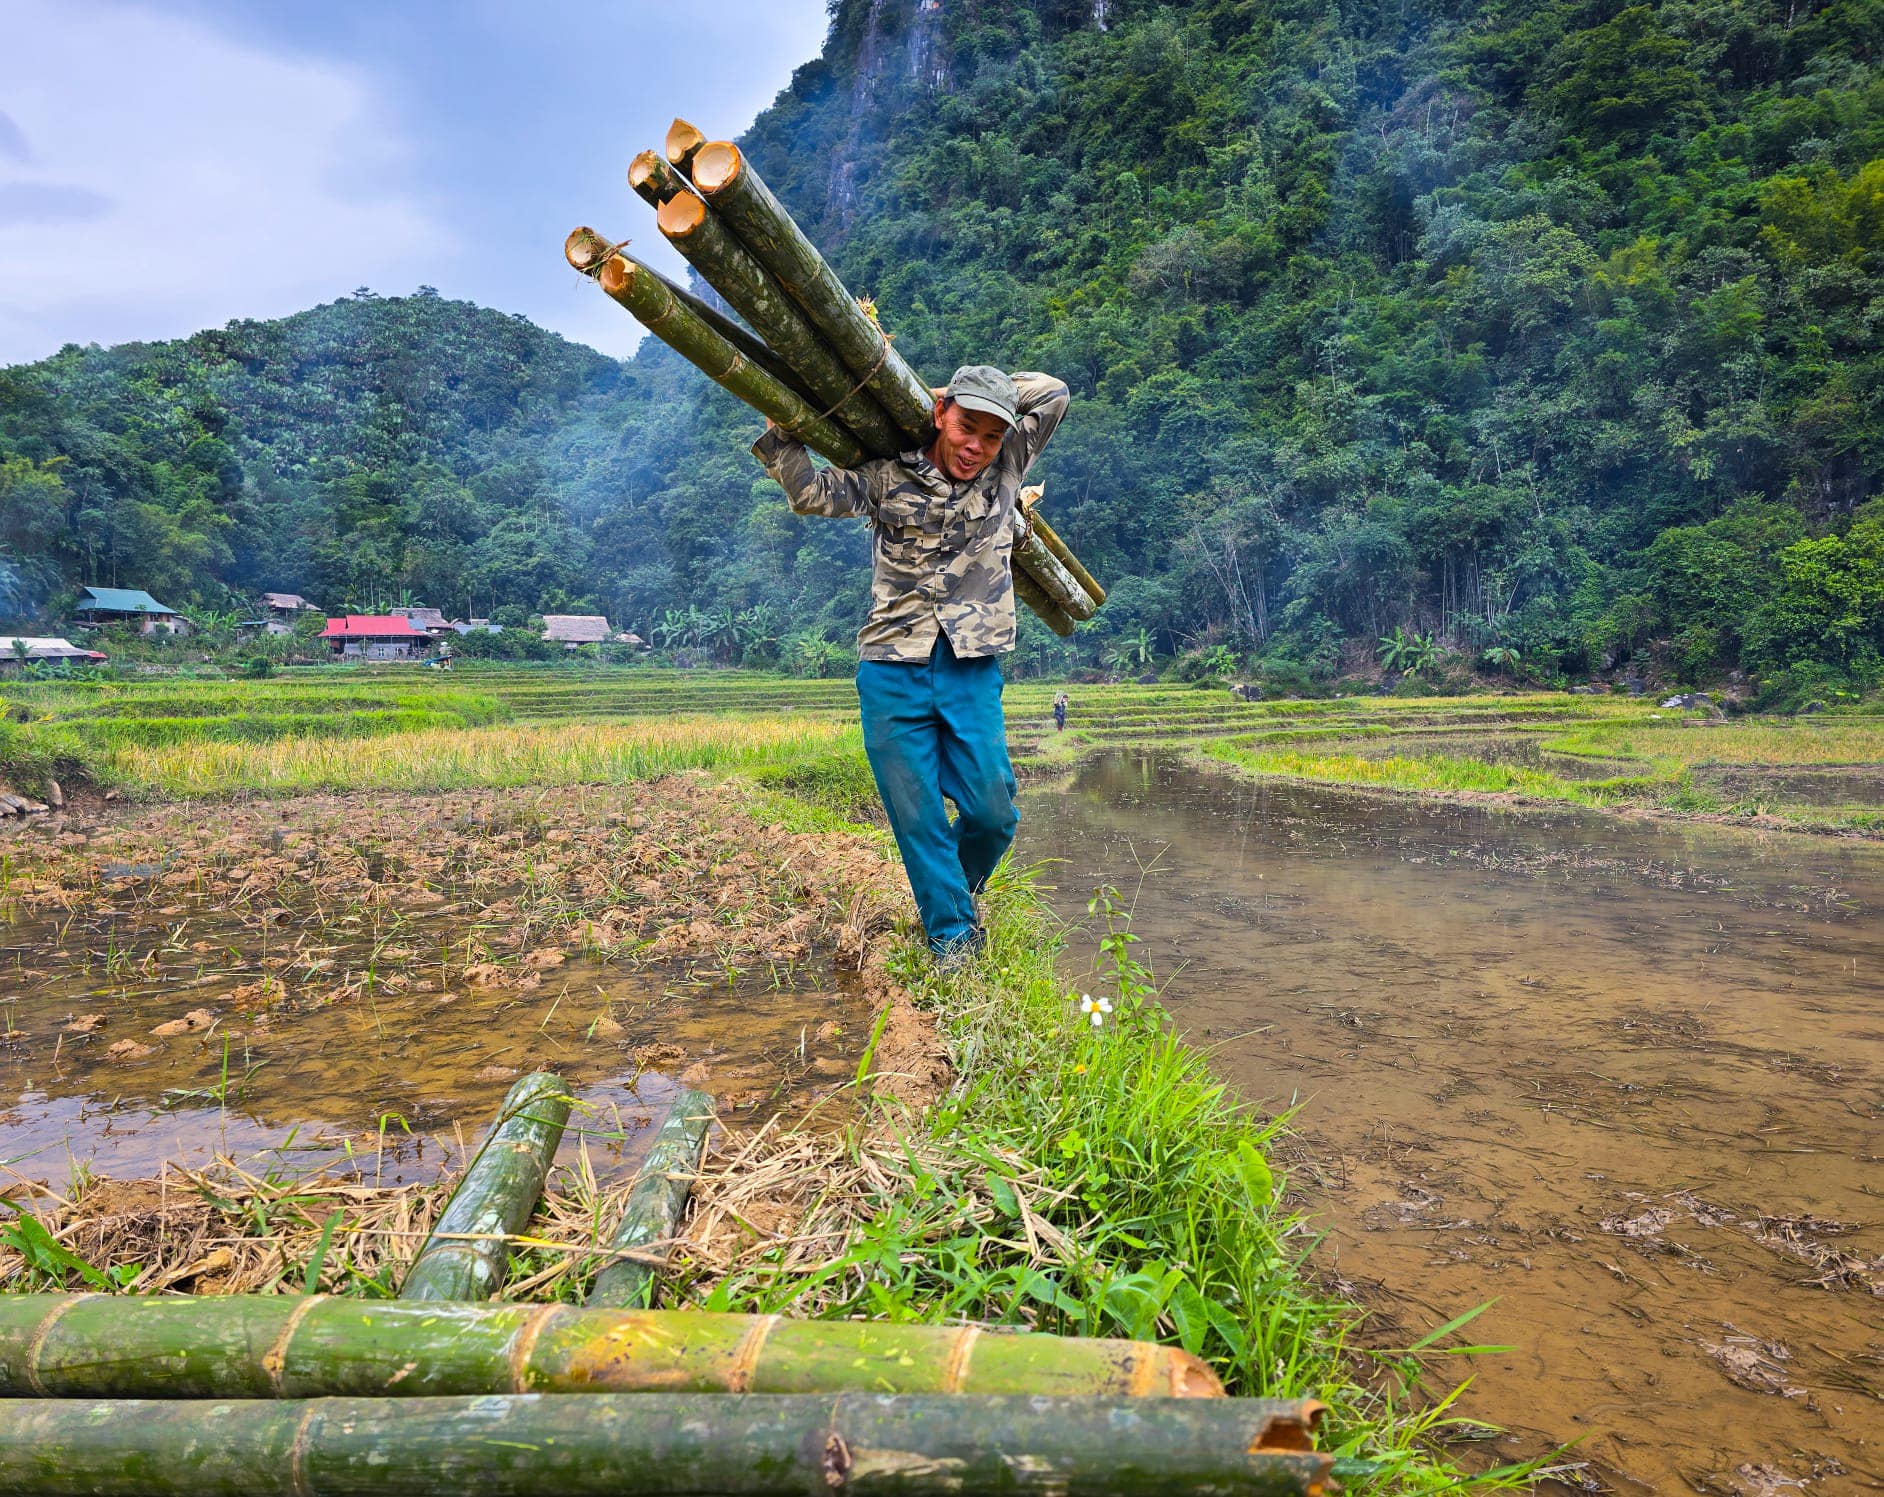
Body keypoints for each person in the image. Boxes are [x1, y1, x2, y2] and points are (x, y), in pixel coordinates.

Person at [752, 365, 1070, 965]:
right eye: (966, 427)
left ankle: (952, 899)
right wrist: (781, 437)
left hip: (970, 666)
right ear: (940, 415)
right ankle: (952, 938)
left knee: (993, 811)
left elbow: (1052, 392)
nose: (976, 447)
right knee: (918, 815)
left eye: (992, 435)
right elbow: (810, 495)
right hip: (891, 668)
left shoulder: (1008, 467)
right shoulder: (885, 477)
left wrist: (981, 395)